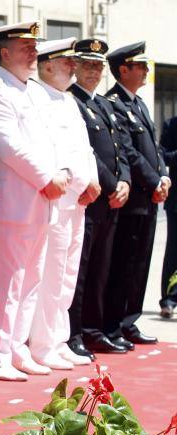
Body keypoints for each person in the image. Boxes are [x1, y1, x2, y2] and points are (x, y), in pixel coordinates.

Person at [0, 21, 68, 381]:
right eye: (25, 48)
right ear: (4, 53)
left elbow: (51, 142)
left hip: (43, 202)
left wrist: (59, 173)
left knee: (30, 281)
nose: (33, 53)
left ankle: (16, 348)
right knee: (7, 283)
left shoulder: (33, 92)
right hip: (16, 202)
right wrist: (48, 178)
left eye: (34, 47)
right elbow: (9, 146)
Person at [28, 38, 99, 370]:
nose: (73, 66)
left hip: (79, 201)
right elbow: (47, 151)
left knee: (68, 274)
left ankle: (59, 338)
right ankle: (41, 343)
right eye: (66, 61)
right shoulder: (36, 99)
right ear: (47, 66)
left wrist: (93, 180)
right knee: (50, 274)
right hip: (56, 201)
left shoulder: (69, 101)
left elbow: (84, 148)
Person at [66, 38, 132, 357]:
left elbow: (119, 149)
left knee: (101, 270)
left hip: (111, 199)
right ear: (75, 66)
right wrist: (111, 184)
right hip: (90, 197)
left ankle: (93, 329)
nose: (93, 71)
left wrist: (126, 182)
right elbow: (89, 153)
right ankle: (73, 333)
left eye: (98, 66)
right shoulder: (72, 102)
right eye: (88, 64)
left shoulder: (104, 104)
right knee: (80, 271)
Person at [103, 41, 168, 348]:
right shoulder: (114, 103)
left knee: (140, 263)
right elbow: (127, 152)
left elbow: (152, 149)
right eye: (140, 66)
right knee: (123, 263)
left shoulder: (139, 103)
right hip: (133, 199)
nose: (146, 71)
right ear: (123, 69)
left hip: (150, 198)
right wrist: (154, 181)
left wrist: (164, 176)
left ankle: (130, 320)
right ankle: (113, 324)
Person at [159, 115, 177, 317]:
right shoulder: (172, 124)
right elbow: (162, 156)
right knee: (174, 252)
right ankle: (170, 299)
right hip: (176, 202)